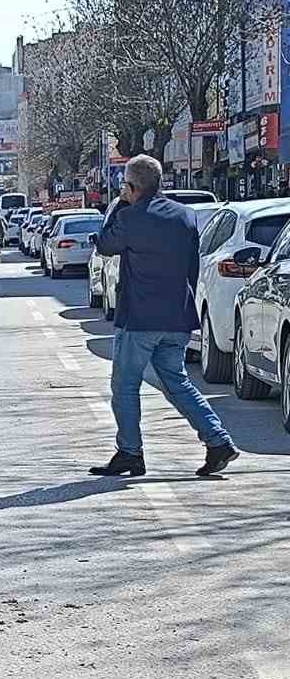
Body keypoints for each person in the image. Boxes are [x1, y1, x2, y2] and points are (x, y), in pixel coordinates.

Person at [91, 154, 237, 478]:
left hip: (140, 319)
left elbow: (104, 244)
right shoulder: (185, 216)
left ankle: (130, 452)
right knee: (177, 381)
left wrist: (119, 205)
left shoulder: (130, 217)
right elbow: (192, 266)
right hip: (177, 316)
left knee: (125, 385)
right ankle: (218, 441)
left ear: (131, 186)